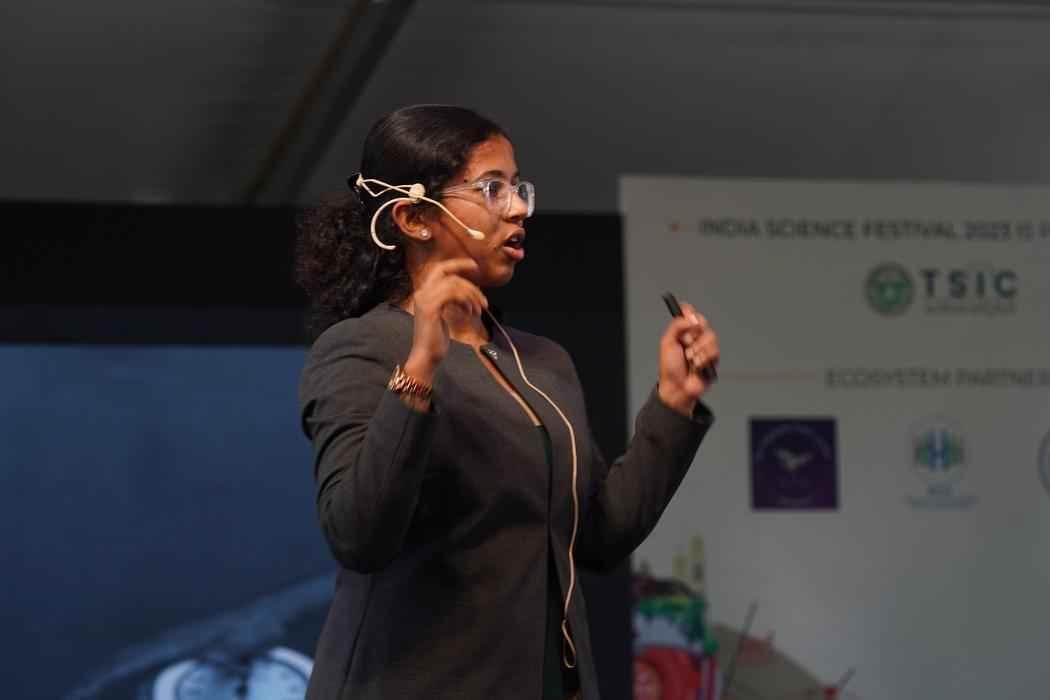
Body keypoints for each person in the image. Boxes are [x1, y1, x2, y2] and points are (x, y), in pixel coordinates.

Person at [294, 104, 719, 700]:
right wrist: (421, 368)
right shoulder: (362, 347)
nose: (518, 208)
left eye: (519, 188)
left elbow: (599, 534)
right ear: (414, 217)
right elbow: (359, 535)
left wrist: (673, 402)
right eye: (492, 189)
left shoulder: (543, 361)